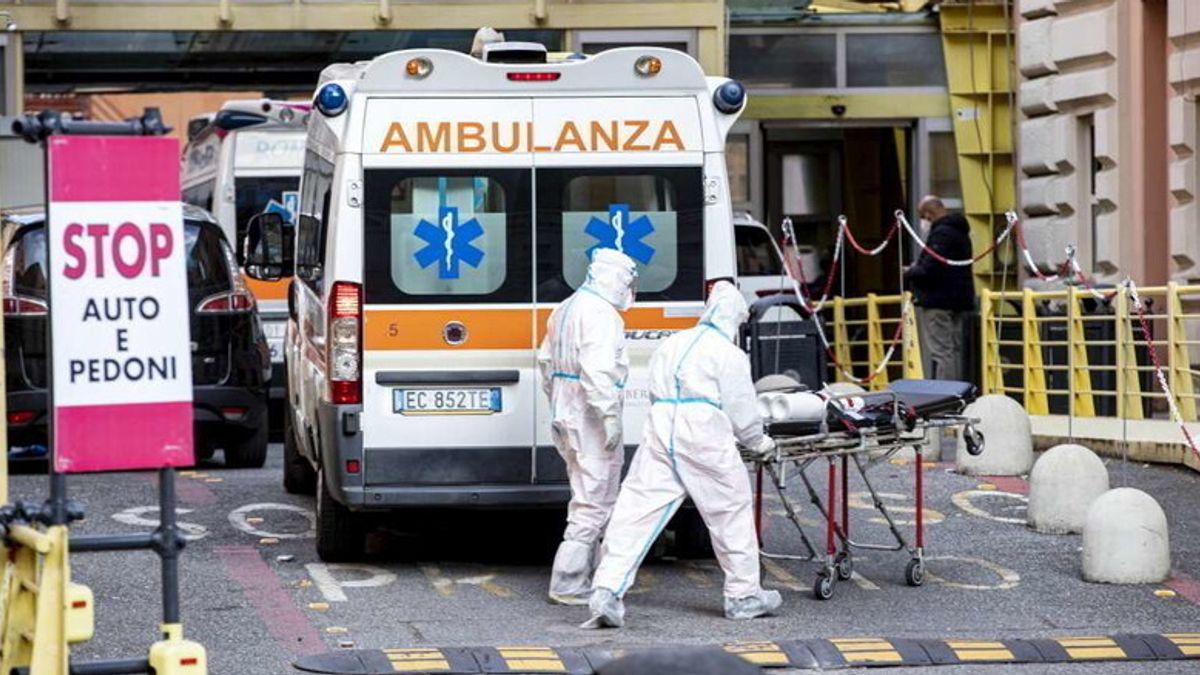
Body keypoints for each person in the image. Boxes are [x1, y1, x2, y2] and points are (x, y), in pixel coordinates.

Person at [584, 281, 779, 628]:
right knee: (729, 511)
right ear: (735, 317)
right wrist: (760, 443)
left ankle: (605, 591)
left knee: (635, 510)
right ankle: (743, 595)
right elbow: (742, 413)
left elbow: (654, 391)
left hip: (662, 426)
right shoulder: (728, 354)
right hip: (703, 430)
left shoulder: (672, 343)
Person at [537, 248, 639, 606]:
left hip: (566, 410)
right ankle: (569, 581)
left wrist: (558, 401)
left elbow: (545, 362)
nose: (629, 288)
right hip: (590, 414)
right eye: (627, 280)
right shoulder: (601, 315)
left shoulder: (565, 307)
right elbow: (598, 371)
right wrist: (608, 415)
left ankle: (590, 574)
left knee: (584, 492)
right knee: (594, 500)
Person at [904, 195, 974, 381]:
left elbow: (930, 269)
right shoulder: (960, 231)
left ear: (928, 214)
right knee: (954, 350)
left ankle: (946, 395)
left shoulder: (941, 233)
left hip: (938, 301)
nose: (923, 222)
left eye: (922, 216)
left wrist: (910, 271)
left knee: (942, 352)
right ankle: (959, 392)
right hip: (958, 301)